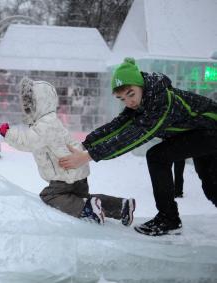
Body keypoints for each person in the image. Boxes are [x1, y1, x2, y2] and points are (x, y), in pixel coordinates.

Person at [58, 57, 217, 236]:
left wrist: (88, 156)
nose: (129, 102)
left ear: (141, 85)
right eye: (122, 98)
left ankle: (168, 218)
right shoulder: (143, 102)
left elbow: (133, 137)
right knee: (211, 186)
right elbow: (118, 125)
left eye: (131, 94)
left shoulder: (161, 101)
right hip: (200, 134)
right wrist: (84, 145)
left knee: (158, 156)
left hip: (211, 131)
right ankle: (169, 218)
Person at [0, 77, 136, 226]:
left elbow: (28, 142)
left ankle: (87, 209)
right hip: (76, 172)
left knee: (50, 196)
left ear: (38, 104)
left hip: (64, 175)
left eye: (30, 104)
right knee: (80, 198)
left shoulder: (45, 124)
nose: (26, 108)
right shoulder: (51, 121)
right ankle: (121, 207)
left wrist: (6, 132)